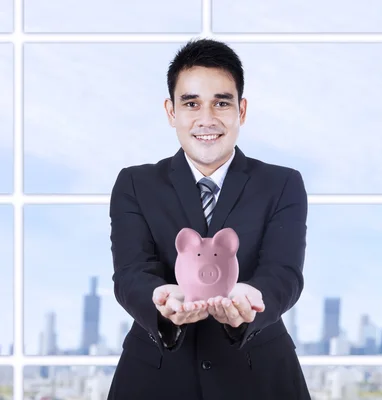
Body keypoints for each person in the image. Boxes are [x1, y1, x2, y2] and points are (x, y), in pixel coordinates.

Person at [107, 37, 310, 399]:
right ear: (171, 112)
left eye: (221, 102)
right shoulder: (135, 184)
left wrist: (252, 301)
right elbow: (130, 272)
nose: (206, 119)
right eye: (191, 103)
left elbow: (285, 273)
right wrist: (160, 300)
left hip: (260, 377)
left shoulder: (282, 184)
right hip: (155, 378)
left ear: (241, 111)